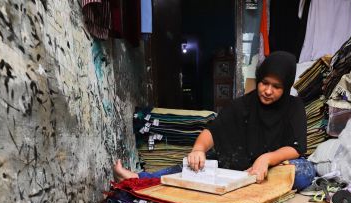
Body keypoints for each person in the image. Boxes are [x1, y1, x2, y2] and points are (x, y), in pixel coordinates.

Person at [114, 51, 315, 190]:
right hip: (238, 166)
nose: (268, 91)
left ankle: (249, 180)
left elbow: (297, 147)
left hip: (273, 166)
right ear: (259, 79)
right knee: (194, 167)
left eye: (277, 86)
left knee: (304, 173)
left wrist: (266, 160)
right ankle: (140, 178)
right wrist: (198, 150)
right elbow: (212, 130)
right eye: (264, 83)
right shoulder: (243, 105)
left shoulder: (294, 106)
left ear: (286, 86)